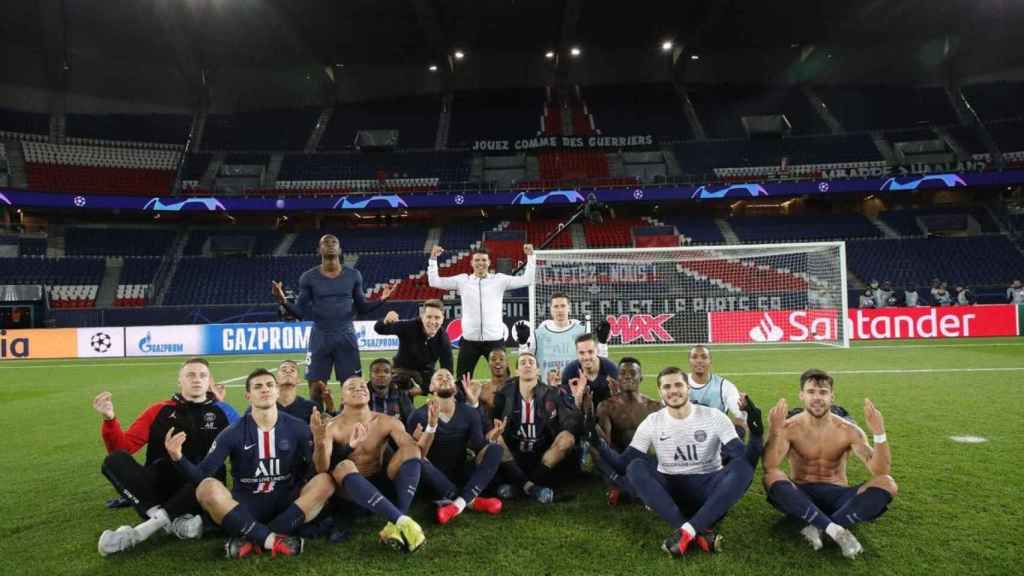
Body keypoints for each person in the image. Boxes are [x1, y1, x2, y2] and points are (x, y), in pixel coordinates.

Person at [164, 369, 335, 558]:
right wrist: (178, 458)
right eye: (258, 386)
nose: (265, 390)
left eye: (270, 385)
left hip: (287, 502)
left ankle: (252, 537)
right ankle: (273, 540)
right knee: (206, 488)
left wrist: (320, 444)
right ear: (248, 395)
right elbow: (202, 475)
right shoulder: (232, 432)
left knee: (325, 481)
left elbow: (319, 469)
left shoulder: (298, 427)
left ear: (277, 391)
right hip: (246, 504)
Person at [94, 358, 234, 556]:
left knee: (207, 472)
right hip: (159, 487)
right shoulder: (159, 410)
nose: (197, 380)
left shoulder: (224, 412)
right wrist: (109, 419)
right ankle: (168, 520)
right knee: (114, 460)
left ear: (209, 381)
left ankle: (147, 528)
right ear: (180, 381)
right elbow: (122, 447)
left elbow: (245, 448)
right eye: (190, 375)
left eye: (202, 375)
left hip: (198, 491)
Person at [617, 368, 758, 557]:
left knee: (743, 468)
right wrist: (595, 440)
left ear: (688, 388)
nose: (673, 390)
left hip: (709, 495)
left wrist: (756, 432)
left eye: (678, 385)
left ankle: (686, 531)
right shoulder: (653, 422)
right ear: (660, 392)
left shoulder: (714, 417)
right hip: (670, 497)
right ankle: (693, 531)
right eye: (667, 386)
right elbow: (622, 464)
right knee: (635, 467)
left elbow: (746, 461)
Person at [763, 369, 897, 559]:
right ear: (801, 396)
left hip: (839, 496)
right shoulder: (789, 428)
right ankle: (835, 530)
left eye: (823, 392)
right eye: (811, 392)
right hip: (801, 494)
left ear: (832, 396)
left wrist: (879, 432)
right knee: (772, 476)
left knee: (887, 483)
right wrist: (775, 431)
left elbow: (880, 471)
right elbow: (770, 465)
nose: (817, 397)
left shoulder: (849, 430)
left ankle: (819, 526)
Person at [272, 234, 396, 411]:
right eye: (325, 243)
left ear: (339, 249)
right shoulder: (308, 277)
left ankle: (348, 425)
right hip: (320, 337)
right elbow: (299, 312)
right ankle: (317, 424)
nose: (330, 245)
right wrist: (283, 301)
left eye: (334, 242)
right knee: (315, 387)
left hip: (346, 337)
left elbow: (362, 307)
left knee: (352, 386)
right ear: (319, 250)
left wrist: (382, 300)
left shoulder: (353, 275)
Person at [317, 376, 426, 552]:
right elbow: (322, 468)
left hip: (380, 482)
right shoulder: (331, 427)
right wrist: (320, 442)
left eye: (362, 386)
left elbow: (416, 453)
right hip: (348, 491)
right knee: (345, 465)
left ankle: (399, 520)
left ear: (368, 394)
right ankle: (403, 521)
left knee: (411, 449)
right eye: (351, 387)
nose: (359, 389)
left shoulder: (388, 421)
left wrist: (428, 433)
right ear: (342, 398)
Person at [407, 369, 505, 524]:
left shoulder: (468, 412)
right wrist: (425, 433)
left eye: (449, 377)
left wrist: (491, 438)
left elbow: (479, 446)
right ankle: (471, 501)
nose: (445, 379)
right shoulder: (418, 415)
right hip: (432, 479)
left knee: (496, 448)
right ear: (431, 387)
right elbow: (412, 455)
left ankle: (456, 505)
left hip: (461, 474)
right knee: (416, 458)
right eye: (439, 377)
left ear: (456, 387)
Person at [427, 243, 535, 382]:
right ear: (471, 262)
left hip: (495, 340)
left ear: (489, 262)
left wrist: (531, 257)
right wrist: (433, 259)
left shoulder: (499, 279)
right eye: (477, 260)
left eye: (484, 260)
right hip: (469, 341)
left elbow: (527, 279)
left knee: (504, 381)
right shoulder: (462, 280)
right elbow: (434, 281)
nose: (480, 263)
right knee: (462, 382)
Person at [492, 352, 584, 503]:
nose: (527, 365)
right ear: (516, 371)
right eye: (522, 363)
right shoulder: (503, 395)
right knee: (494, 438)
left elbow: (571, 423)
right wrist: (496, 432)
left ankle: (521, 487)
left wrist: (576, 401)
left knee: (568, 437)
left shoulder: (553, 393)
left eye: (531, 362)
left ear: (538, 371)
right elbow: (492, 427)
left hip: (544, 456)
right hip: (513, 456)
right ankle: (533, 488)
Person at [593, 357, 661, 505]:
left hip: (644, 463)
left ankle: (625, 489)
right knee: (595, 444)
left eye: (633, 373)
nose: (628, 376)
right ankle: (627, 486)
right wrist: (592, 425)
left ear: (641, 378)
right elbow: (606, 445)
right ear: (618, 378)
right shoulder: (606, 406)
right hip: (618, 461)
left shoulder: (655, 407)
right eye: (623, 373)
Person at [515, 292, 609, 377]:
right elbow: (525, 361)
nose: (560, 310)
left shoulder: (582, 332)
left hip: (575, 389)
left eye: (563, 306)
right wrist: (523, 344)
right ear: (550, 309)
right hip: (547, 391)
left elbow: (597, 363)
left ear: (569, 308)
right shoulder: (538, 334)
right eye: (556, 306)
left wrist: (602, 343)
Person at [373, 299, 453, 391]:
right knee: (396, 385)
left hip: (426, 374)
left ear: (443, 319)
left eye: (437, 318)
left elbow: (447, 368)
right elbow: (379, 329)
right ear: (422, 316)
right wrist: (385, 321)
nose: (432, 321)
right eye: (429, 317)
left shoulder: (443, 338)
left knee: (445, 386)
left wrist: (442, 385)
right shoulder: (409, 326)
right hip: (402, 371)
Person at [560, 333, 619, 411]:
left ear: (597, 350)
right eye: (581, 353)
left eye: (590, 352)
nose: (586, 357)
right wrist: (578, 397)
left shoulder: (612, 370)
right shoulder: (569, 373)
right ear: (576, 353)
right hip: (581, 417)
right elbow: (566, 409)